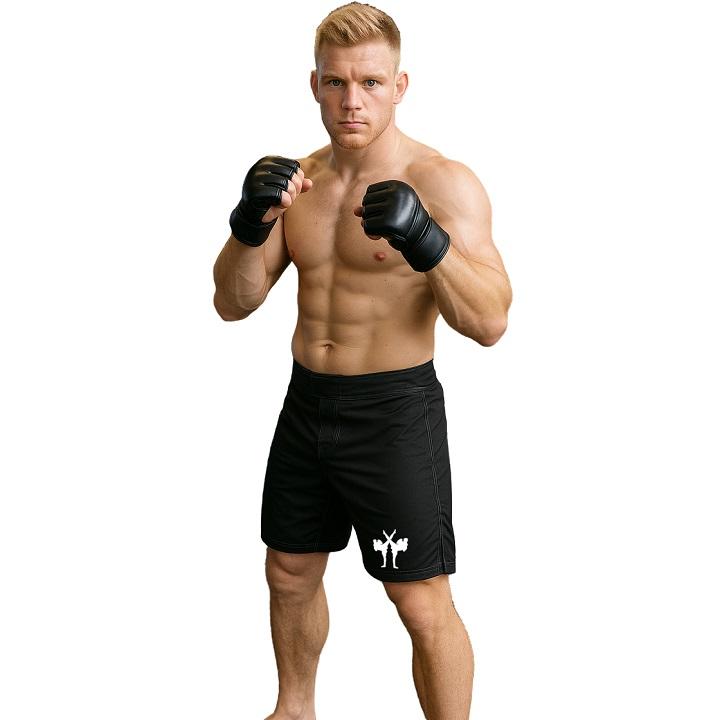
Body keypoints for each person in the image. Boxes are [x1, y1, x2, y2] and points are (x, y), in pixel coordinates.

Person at [212, 3, 512, 718]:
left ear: (400, 86)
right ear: (314, 84)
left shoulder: (444, 181)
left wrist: (427, 241)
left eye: (371, 82)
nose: (353, 101)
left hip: (393, 413)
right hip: (306, 403)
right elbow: (232, 302)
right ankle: (294, 709)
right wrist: (249, 223)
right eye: (337, 82)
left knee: (418, 598)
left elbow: (490, 321)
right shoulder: (298, 183)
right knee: (288, 570)